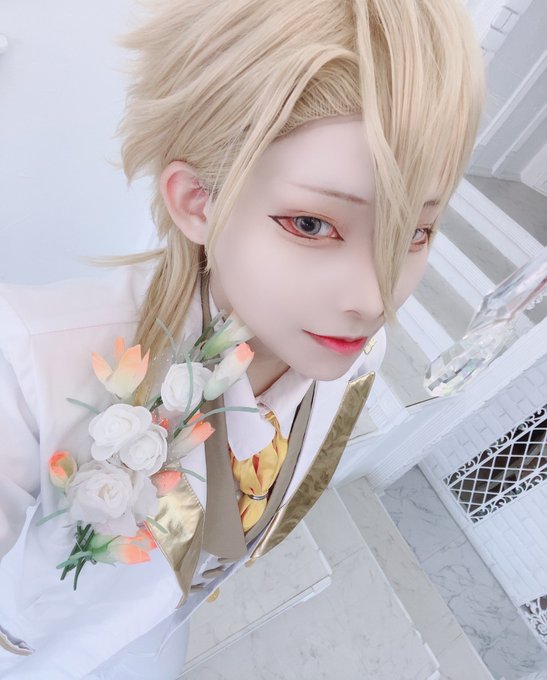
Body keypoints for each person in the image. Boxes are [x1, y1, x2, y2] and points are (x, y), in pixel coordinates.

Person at [0, 0, 484, 677]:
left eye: (415, 232)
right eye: (312, 225)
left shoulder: (351, 354)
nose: (375, 300)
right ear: (197, 199)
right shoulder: (29, 361)